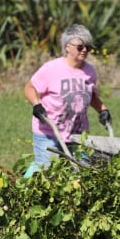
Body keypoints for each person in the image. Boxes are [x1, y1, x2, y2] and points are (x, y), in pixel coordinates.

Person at [23, 24, 111, 176]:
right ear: (67, 47)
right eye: (80, 46)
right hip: (49, 131)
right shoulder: (51, 69)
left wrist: (103, 110)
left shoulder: (89, 71)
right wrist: (36, 105)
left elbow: (92, 96)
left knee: (81, 172)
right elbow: (29, 88)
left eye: (88, 48)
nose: (84, 50)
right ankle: (26, 179)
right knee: (46, 172)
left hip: (77, 133)